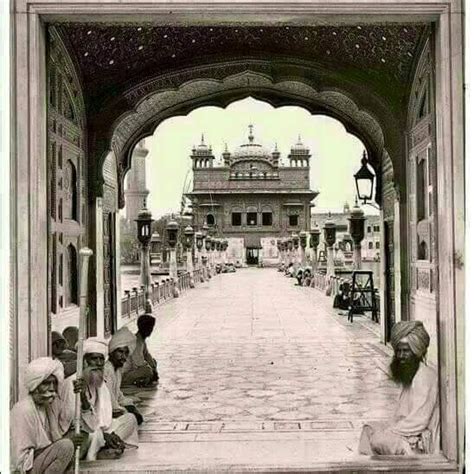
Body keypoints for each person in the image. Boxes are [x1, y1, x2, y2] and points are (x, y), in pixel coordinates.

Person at [358, 321, 439, 455]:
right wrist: (391, 427)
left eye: (405, 351)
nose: (400, 356)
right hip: (405, 430)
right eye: (398, 351)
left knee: (378, 439)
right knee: (369, 429)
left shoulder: (424, 376)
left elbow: (418, 421)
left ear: (417, 351)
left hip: (417, 438)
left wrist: (391, 431)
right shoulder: (411, 373)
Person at [62, 337, 138, 461]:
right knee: (93, 434)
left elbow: (105, 418)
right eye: (94, 359)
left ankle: (106, 444)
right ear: (85, 362)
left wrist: (107, 433)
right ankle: (101, 449)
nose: (98, 363)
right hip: (81, 433)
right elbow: (71, 422)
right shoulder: (72, 384)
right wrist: (102, 434)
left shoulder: (100, 382)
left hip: (100, 429)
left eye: (101, 359)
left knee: (130, 419)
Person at [10, 357, 86, 473]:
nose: (52, 388)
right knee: (65, 447)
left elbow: (72, 419)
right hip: (22, 471)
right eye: (46, 383)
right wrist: (65, 442)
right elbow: (21, 462)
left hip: (39, 465)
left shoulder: (48, 405)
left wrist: (82, 394)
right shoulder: (24, 410)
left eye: (54, 383)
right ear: (35, 385)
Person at [104, 327, 144, 425]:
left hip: (114, 407)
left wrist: (128, 404)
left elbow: (118, 394)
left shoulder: (116, 370)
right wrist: (123, 410)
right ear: (112, 352)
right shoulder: (107, 370)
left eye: (126, 353)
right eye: (120, 352)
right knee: (132, 418)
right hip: (106, 411)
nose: (124, 357)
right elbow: (109, 399)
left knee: (135, 414)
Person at [122, 314, 159, 388]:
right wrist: (152, 371)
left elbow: (147, 355)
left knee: (153, 362)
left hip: (132, 370)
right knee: (147, 370)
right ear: (143, 328)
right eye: (149, 328)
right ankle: (137, 381)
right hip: (124, 375)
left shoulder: (141, 340)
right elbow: (139, 362)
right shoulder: (136, 341)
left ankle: (142, 380)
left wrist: (154, 368)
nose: (151, 330)